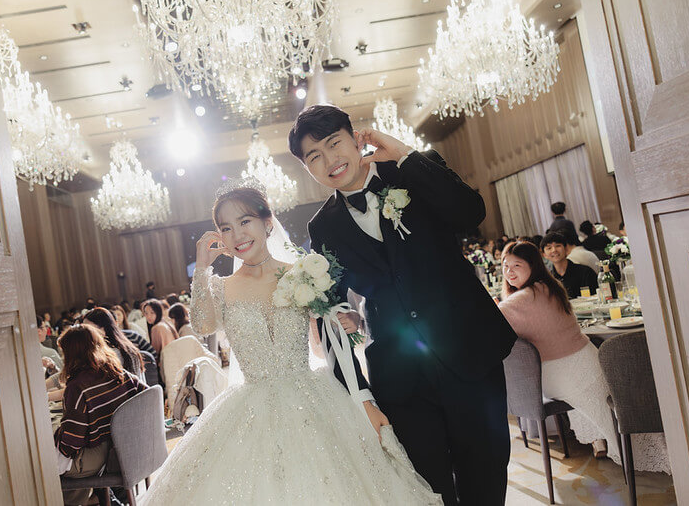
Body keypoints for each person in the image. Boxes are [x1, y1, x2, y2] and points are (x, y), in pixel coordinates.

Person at [140, 185, 442, 505]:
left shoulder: (302, 276)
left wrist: (347, 321)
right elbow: (203, 325)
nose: (237, 235)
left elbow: (326, 344)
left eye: (245, 221)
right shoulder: (221, 288)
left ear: (267, 222)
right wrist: (201, 268)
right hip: (250, 409)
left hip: (312, 399)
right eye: (226, 228)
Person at [292, 104, 516, 505]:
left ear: (356, 138)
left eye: (334, 143)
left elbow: (471, 212)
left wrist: (404, 154)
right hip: (399, 376)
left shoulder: (412, 170)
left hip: (469, 354)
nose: (330, 160)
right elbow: (328, 314)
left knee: (485, 474)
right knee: (427, 489)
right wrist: (359, 394)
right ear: (307, 168)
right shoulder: (322, 227)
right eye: (314, 156)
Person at [497, 241, 616, 458]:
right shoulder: (550, 286)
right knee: (608, 411)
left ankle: (606, 441)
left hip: (559, 375)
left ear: (533, 265)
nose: (509, 272)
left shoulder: (521, 299)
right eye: (505, 266)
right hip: (589, 361)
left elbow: (489, 324)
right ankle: (608, 441)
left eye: (516, 265)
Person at [54, 324, 146, 505]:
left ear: (71, 354)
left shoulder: (77, 387)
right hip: (125, 450)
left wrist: (57, 434)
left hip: (101, 458)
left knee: (41, 466)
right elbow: (147, 396)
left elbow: (71, 444)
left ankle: (91, 500)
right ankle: (100, 499)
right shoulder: (117, 372)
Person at [82, 307, 144, 379]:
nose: (85, 333)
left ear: (103, 330)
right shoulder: (127, 348)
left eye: (89, 329)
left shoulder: (112, 354)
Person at [541, 232, 597, 298]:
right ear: (544, 255)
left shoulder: (585, 272)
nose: (554, 250)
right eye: (549, 248)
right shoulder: (547, 279)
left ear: (566, 249)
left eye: (558, 246)